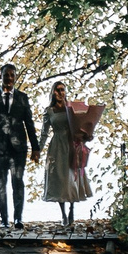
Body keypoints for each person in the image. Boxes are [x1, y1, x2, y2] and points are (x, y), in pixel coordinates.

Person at [0, 63, 39, 229]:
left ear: (15, 77)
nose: (9, 78)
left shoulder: (22, 97)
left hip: (19, 148)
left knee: (17, 181)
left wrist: (36, 148)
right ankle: (4, 220)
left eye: (12, 75)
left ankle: (18, 218)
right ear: (1, 76)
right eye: (6, 75)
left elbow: (29, 123)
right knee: (0, 182)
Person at [42, 81, 92, 230]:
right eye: (57, 90)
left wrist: (86, 136)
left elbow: (81, 127)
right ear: (52, 93)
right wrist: (38, 149)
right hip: (57, 146)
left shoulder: (71, 109)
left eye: (62, 90)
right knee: (60, 178)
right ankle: (63, 213)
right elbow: (44, 132)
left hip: (71, 145)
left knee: (71, 177)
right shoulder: (49, 111)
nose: (60, 93)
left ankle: (71, 209)